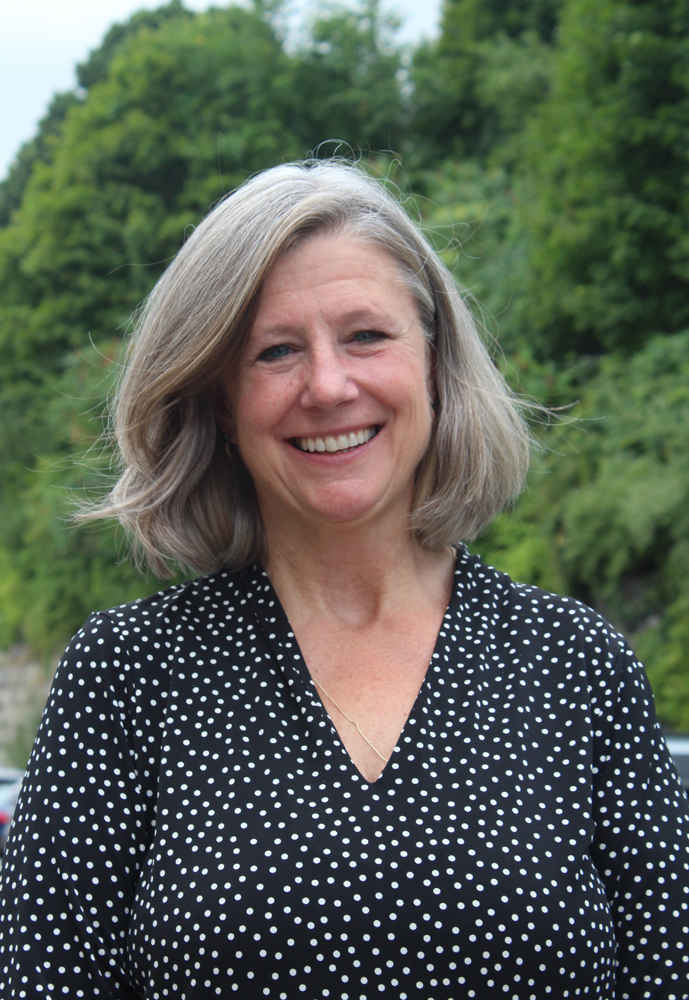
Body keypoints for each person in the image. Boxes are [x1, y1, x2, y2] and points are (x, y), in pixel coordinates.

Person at [0, 159, 687, 1000]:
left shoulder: (576, 666)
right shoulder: (127, 678)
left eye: (365, 336)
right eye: (275, 351)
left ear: (433, 362)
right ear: (219, 402)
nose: (327, 386)